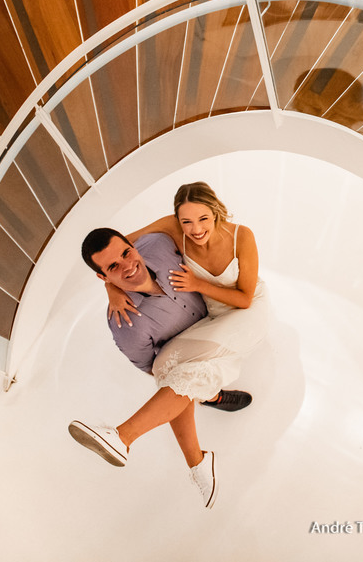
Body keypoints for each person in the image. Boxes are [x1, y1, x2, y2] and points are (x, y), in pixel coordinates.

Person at [69, 183, 269, 508]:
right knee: (167, 370)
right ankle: (204, 427)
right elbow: (123, 247)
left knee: (175, 372)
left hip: (245, 311)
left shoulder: (176, 242)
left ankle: (124, 436)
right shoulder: (127, 323)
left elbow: (245, 299)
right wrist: (113, 288)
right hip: (206, 329)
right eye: (187, 222)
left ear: (217, 210)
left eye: (203, 218)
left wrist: (197, 284)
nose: (196, 229)